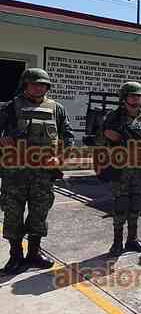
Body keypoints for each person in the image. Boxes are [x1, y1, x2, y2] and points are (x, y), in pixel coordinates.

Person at [0, 68, 74, 274]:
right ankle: (15, 256)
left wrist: (59, 158)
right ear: (25, 84)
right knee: (13, 214)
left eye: (43, 84)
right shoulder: (9, 107)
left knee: (38, 213)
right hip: (15, 173)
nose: (39, 87)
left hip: (43, 173)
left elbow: (68, 137)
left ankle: (34, 252)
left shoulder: (56, 109)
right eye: (34, 83)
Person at [101, 82, 141, 256]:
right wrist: (109, 137)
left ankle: (133, 239)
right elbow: (98, 141)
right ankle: (117, 242)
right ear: (124, 98)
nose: (136, 99)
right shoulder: (113, 117)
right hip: (121, 169)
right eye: (132, 96)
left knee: (136, 205)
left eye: (139, 96)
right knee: (120, 206)